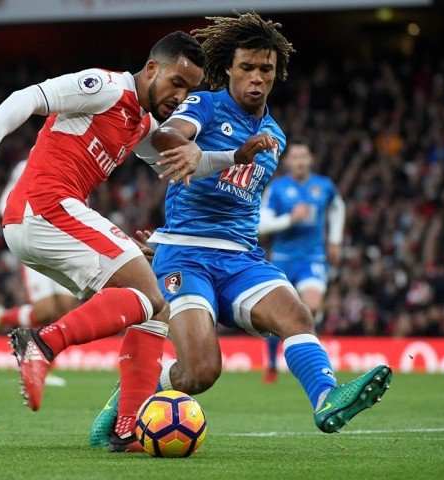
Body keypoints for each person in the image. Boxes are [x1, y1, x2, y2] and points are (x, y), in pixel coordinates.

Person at [90, 12, 391, 447]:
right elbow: (168, 134)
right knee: (200, 372)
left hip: (240, 257)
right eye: (246, 67)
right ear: (228, 68)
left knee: (296, 315)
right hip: (187, 256)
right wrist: (193, 152)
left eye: (265, 69)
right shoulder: (205, 105)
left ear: (276, 74)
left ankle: (327, 398)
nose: (255, 78)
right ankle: (124, 403)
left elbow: (243, 204)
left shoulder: (275, 135)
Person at [0, 31, 209, 452]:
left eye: (190, 89)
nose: (181, 94)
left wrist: (236, 159)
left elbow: (176, 159)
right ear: (153, 68)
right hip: (44, 206)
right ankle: (43, 343)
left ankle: (127, 428)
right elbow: (26, 97)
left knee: (152, 308)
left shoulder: (142, 121)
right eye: (177, 81)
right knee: (146, 292)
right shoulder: (105, 87)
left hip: (41, 221)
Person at [258, 138, 346, 383]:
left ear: (310, 160)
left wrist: (335, 241)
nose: (299, 162)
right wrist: (290, 219)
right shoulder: (277, 189)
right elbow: (261, 225)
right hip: (282, 259)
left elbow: (338, 207)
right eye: (295, 157)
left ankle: (308, 360)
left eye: (303, 157)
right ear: (288, 162)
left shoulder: (323, 186)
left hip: (312, 259)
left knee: (312, 307)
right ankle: (273, 364)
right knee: (276, 314)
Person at [0, 160, 79, 344]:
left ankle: (40, 361)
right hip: (35, 244)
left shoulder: (76, 163)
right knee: (45, 311)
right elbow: (5, 204)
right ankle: (2, 318)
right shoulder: (27, 165)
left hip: (63, 245)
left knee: (66, 310)